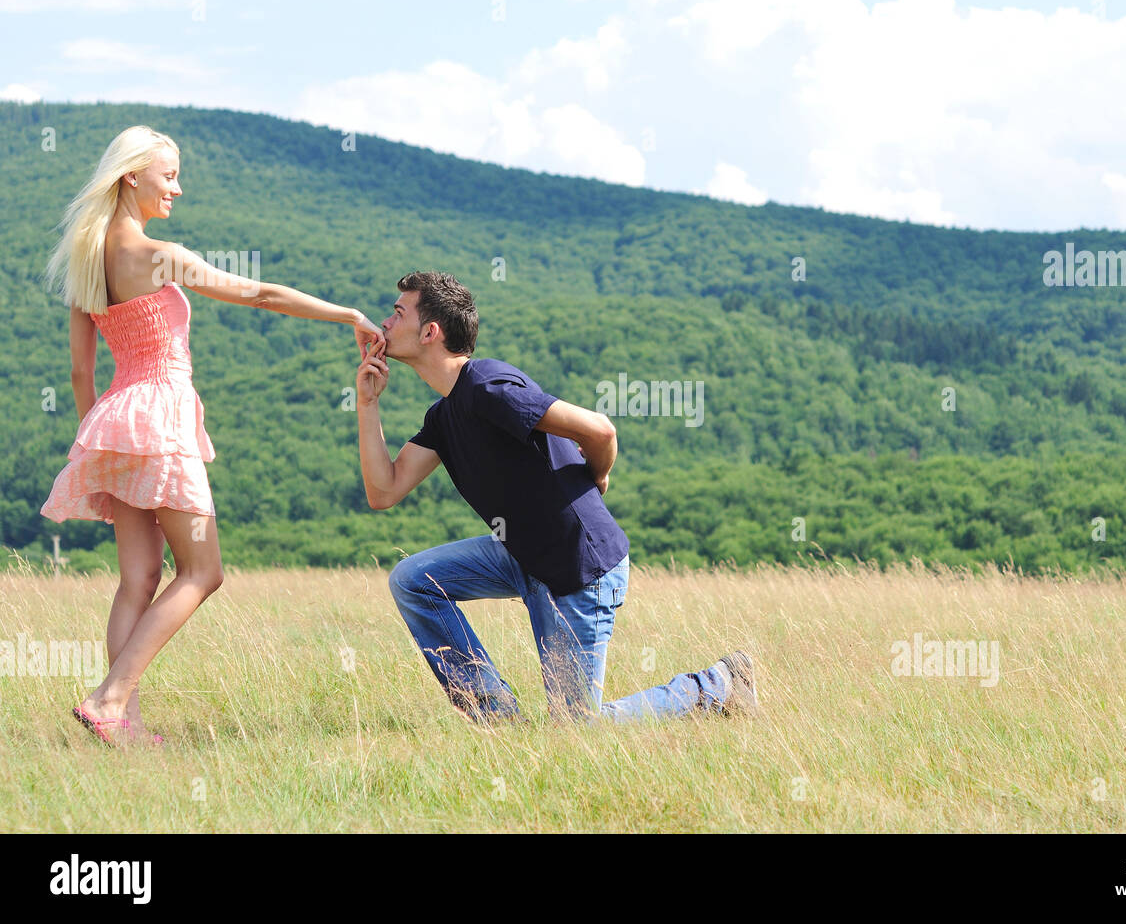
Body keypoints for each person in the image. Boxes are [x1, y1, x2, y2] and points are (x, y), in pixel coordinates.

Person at [41, 125, 382, 746]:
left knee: (137, 580)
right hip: (162, 420)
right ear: (131, 177)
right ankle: (109, 698)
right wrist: (348, 314)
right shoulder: (159, 255)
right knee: (203, 571)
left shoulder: (87, 263)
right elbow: (260, 294)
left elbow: (79, 373)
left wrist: (98, 444)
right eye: (168, 175)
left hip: (114, 421)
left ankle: (122, 726)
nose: (177, 187)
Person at [355, 270, 757, 724]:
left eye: (397, 312)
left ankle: (717, 685)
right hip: (523, 556)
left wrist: (597, 476)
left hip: (576, 569)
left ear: (431, 332)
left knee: (576, 728)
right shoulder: (444, 416)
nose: (385, 324)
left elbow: (601, 429)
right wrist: (367, 403)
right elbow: (383, 491)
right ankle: (501, 718)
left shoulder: (487, 385)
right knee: (413, 580)